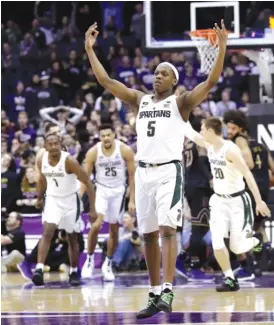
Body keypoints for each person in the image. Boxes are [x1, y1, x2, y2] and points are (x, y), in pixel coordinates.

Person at [85, 20, 227, 317]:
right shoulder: (140, 100)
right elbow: (107, 82)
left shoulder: (182, 103)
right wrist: (89, 49)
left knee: (166, 229)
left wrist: (222, 46)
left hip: (168, 172)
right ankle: (153, 294)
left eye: (164, 73)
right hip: (144, 171)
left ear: (174, 81)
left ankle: (167, 289)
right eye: (155, 73)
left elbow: (210, 82)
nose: (157, 76)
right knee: (148, 235)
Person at [185, 117, 271, 292]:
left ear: (210, 131)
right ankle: (230, 279)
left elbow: (248, 175)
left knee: (236, 246)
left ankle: (257, 241)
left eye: (203, 129)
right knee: (217, 243)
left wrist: (259, 201)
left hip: (238, 200)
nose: (201, 132)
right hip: (218, 200)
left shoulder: (230, 150)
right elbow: (191, 134)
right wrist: (178, 113)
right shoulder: (209, 146)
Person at [31, 132, 97, 286]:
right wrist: (39, 198)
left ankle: (74, 270)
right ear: (45, 146)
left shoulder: (69, 161)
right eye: (50, 143)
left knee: (72, 238)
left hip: (70, 201)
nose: (53, 146)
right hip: (53, 199)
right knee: (47, 231)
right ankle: (39, 269)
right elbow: (42, 180)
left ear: (60, 144)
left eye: (56, 143)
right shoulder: (41, 160)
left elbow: (88, 182)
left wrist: (93, 208)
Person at [80, 123, 135, 281]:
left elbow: (132, 175)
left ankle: (108, 263)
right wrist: (79, 195)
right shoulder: (93, 152)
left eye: (108, 135)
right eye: (102, 135)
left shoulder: (125, 150)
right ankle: (89, 260)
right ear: (99, 137)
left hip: (118, 191)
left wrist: (131, 199)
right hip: (102, 190)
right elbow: (84, 177)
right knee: (96, 225)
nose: (105, 138)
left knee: (114, 230)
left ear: (113, 135)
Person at [223, 110, 274, 278]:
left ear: (239, 128)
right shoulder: (262, 145)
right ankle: (266, 250)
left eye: (231, 127)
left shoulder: (239, 141)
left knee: (239, 229)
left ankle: (250, 266)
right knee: (257, 227)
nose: (229, 131)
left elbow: (249, 164)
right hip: (263, 190)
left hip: (248, 190)